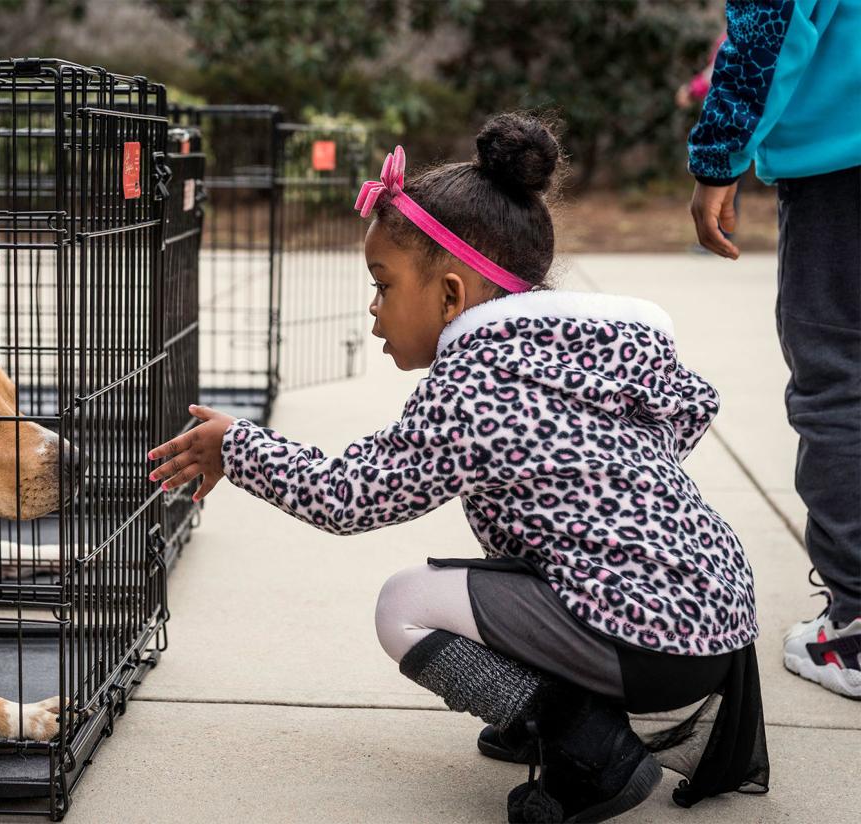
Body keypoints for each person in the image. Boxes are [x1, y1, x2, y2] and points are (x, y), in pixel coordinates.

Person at [151, 113, 769, 823]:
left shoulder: (477, 385)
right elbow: (689, 408)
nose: (375, 311)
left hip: (646, 638)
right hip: (714, 616)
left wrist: (240, 447)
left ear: (450, 295)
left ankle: (589, 750)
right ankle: (551, 713)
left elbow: (350, 497)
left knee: (406, 607)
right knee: (512, 573)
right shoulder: (587, 349)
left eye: (383, 285)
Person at [687, 0, 861, 699]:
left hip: (844, 172)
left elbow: (773, 24)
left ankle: (855, 632)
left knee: (841, 382)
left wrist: (718, 157)